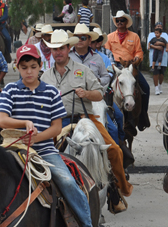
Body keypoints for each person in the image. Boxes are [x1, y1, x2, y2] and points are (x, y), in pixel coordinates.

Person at [0, 44, 93, 227]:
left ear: (40, 65)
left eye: (33, 67)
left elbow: (56, 127)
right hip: (13, 148)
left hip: (45, 150)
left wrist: (37, 139)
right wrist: (23, 124)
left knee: (67, 182)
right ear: (17, 67)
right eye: (24, 68)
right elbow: (1, 120)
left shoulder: (51, 93)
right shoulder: (10, 90)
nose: (29, 72)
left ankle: (86, 224)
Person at [41, 29, 133, 207]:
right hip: (55, 122)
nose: (57, 52)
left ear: (68, 48)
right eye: (54, 49)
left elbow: (100, 93)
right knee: (38, 154)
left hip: (84, 117)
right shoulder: (45, 76)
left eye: (61, 48)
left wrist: (86, 93)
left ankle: (119, 189)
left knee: (114, 150)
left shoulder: (82, 71)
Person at [105, 11, 150, 130]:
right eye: (118, 20)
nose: (120, 22)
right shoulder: (109, 37)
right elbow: (106, 53)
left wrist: (137, 59)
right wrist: (112, 65)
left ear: (126, 22)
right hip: (115, 66)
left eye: (122, 20)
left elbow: (139, 52)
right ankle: (106, 112)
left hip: (130, 66)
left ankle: (142, 116)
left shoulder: (134, 36)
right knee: (105, 87)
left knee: (145, 88)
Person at [147, 22, 168, 94]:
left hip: (163, 57)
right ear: (155, 27)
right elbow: (149, 45)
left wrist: (159, 43)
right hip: (154, 56)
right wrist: (158, 47)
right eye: (158, 26)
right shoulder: (151, 34)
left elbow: (166, 44)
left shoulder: (165, 34)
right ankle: (156, 88)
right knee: (155, 72)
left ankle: (160, 85)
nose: (159, 27)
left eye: (161, 26)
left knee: (162, 73)